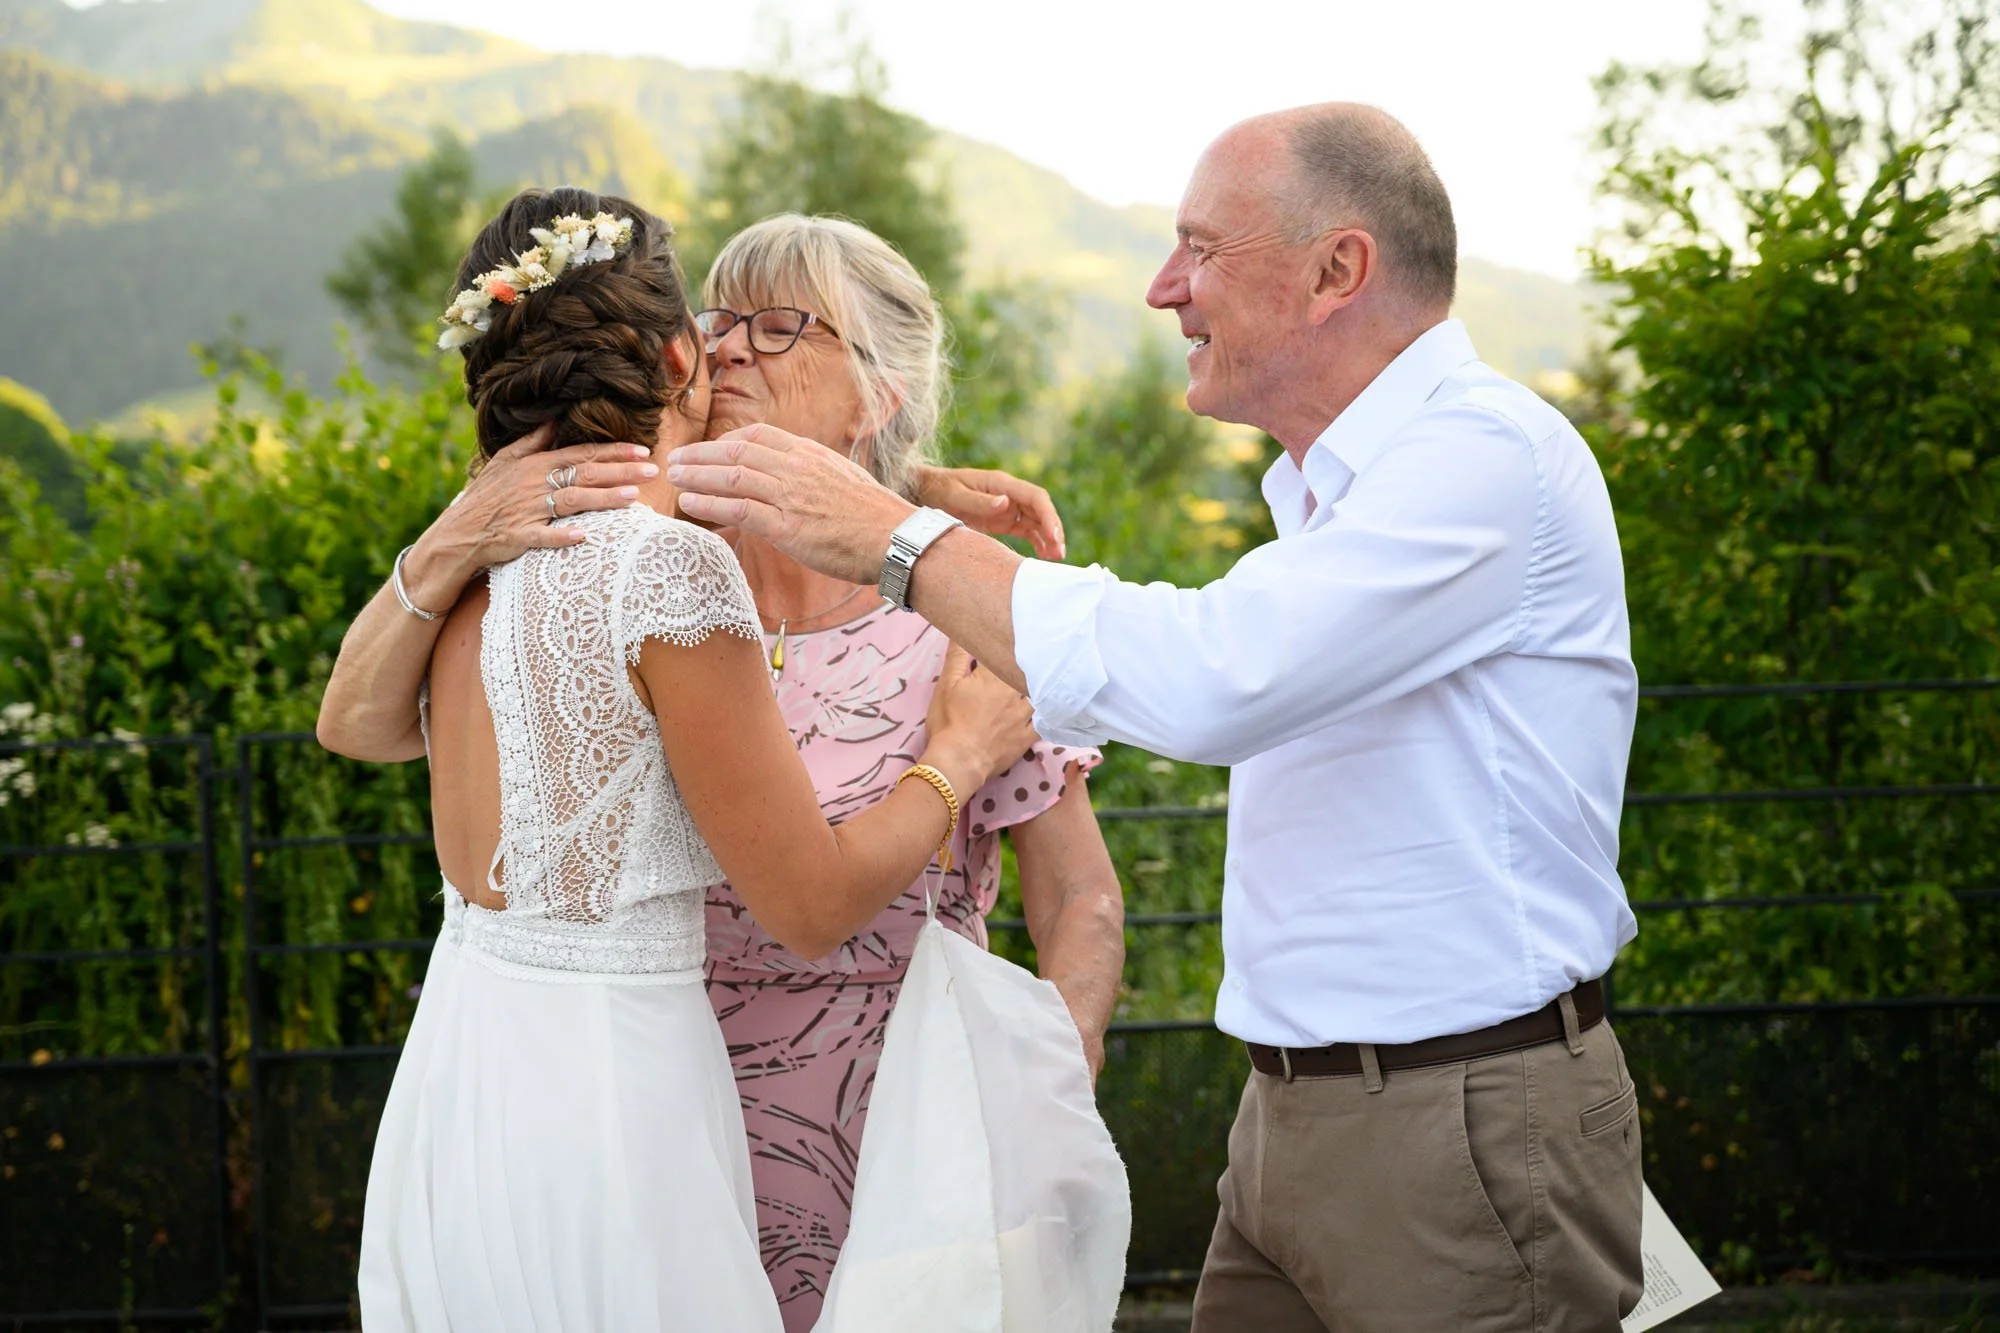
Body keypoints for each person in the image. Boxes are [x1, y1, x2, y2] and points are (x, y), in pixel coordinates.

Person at [664, 104, 1647, 1333]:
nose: (1159, 287)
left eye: (1198, 249)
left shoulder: (1481, 463)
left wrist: (889, 533)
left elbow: (1210, 678)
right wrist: (895, 486)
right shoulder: (1336, 488)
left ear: (1336, 270)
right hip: (1295, 1117)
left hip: (1456, 1125)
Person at [320, 213, 1126, 1331]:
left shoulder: (963, 609)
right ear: (680, 361)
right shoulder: (625, 557)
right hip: (669, 1125)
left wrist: (1048, 1082)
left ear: (876, 394)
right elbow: (359, 716)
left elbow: (1079, 893)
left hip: (907, 1141)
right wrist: (452, 534)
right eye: (723, 318)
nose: (737, 345)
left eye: (783, 325)